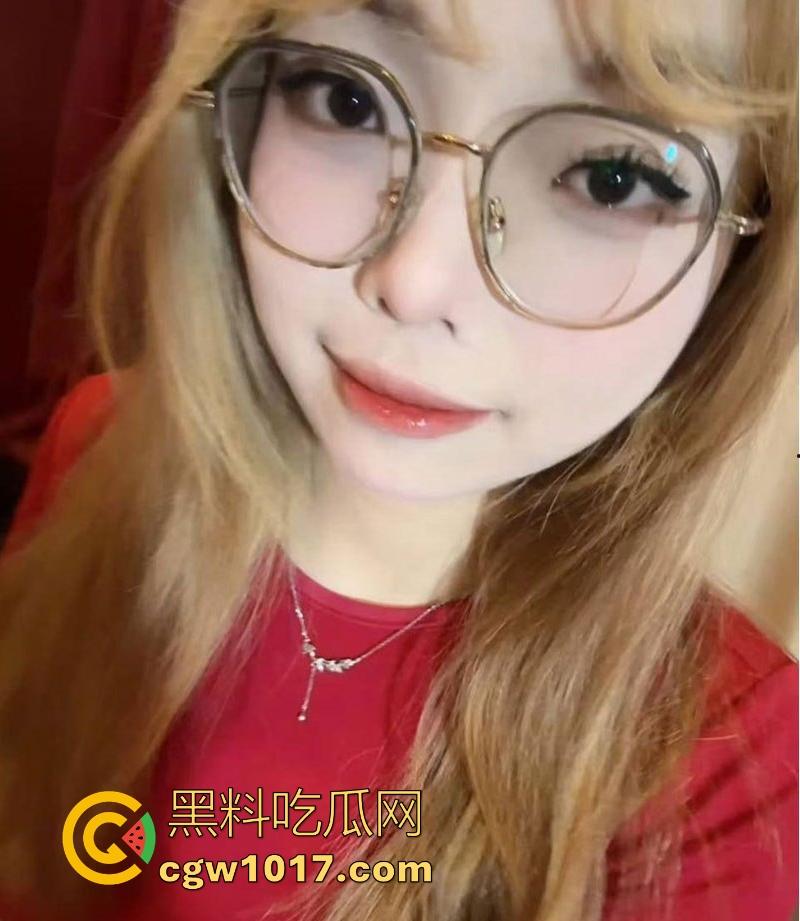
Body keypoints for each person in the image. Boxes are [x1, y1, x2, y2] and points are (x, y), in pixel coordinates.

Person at [0, 0, 796, 919]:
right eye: (345, 101)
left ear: (746, 252)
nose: (413, 283)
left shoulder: (733, 767)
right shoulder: (105, 447)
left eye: (611, 180)